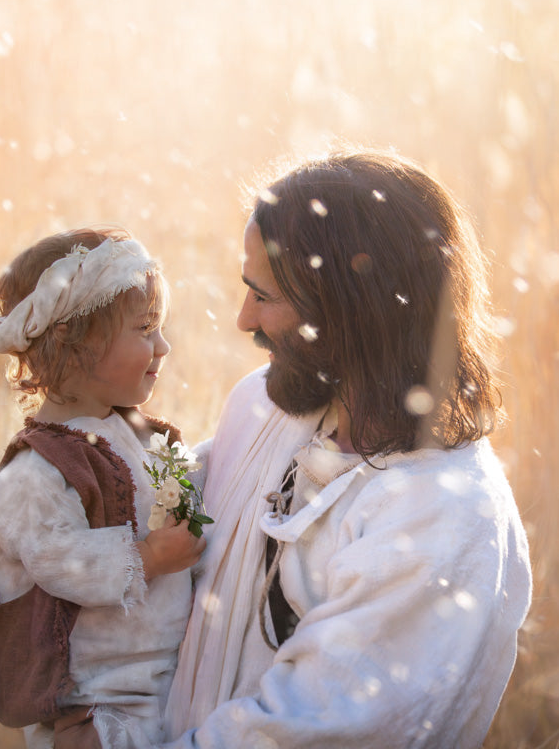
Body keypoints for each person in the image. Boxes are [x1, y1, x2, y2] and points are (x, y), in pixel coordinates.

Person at [162, 148, 532, 748]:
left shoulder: (442, 517)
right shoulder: (265, 407)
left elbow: (316, 731)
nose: (242, 319)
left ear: (349, 313)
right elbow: (161, 524)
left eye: (265, 296)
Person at [0, 227, 206, 749]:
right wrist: (150, 557)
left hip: (162, 682)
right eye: (144, 329)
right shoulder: (34, 473)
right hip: (94, 705)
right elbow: (56, 558)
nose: (164, 345)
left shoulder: (137, 435)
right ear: (77, 345)